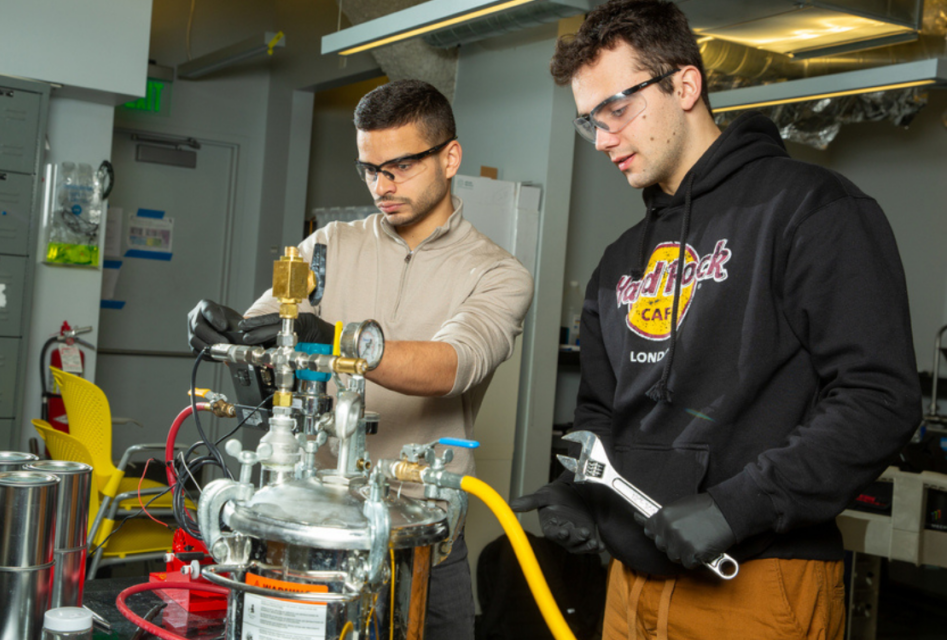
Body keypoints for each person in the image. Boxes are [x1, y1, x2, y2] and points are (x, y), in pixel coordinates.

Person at [512, 1, 922, 638]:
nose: (602, 139)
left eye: (616, 109)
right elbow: (600, 410)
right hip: (628, 588)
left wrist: (736, 507)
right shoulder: (619, 262)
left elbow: (879, 400)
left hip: (756, 585)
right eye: (588, 122)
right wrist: (583, 491)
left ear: (684, 85)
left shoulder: (811, 210)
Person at [188, 79, 534, 640]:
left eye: (398, 166)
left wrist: (334, 337)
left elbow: (453, 364)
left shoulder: (498, 273)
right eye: (369, 169)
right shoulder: (329, 246)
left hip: (422, 535)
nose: (381, 185)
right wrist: (222, 328)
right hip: (317, 526)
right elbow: (267, 330)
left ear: (450, 158)